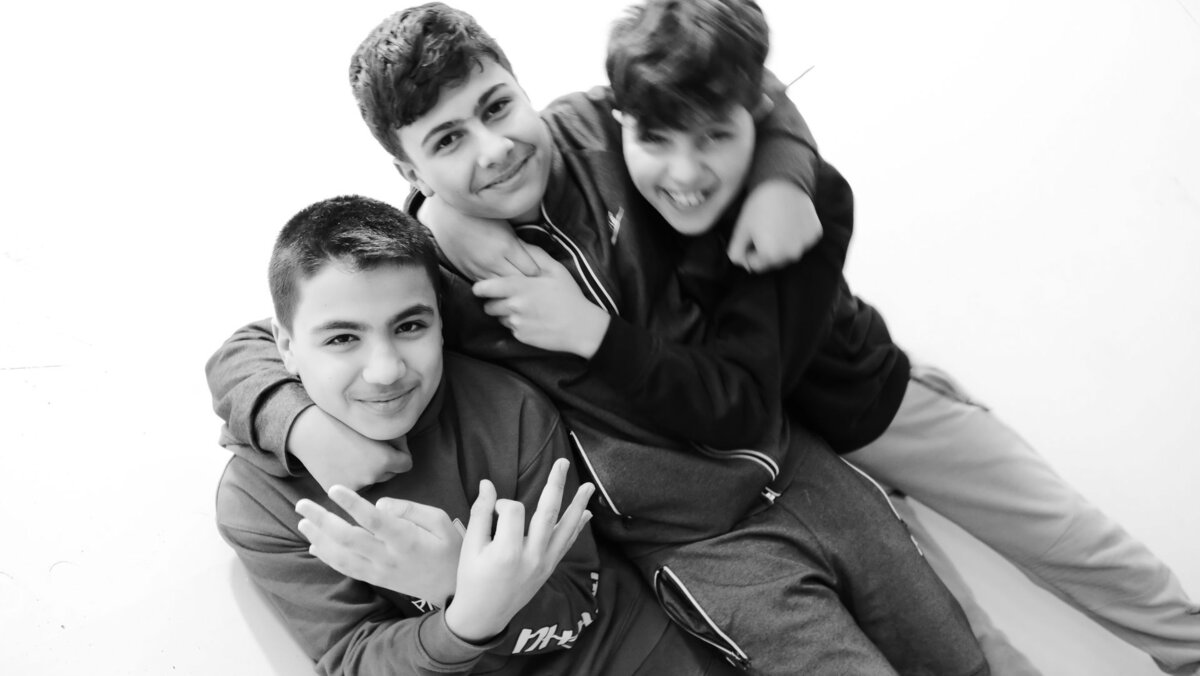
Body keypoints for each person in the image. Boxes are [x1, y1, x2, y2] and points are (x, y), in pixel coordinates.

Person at [206, 4, 988, 676]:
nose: (492, 148)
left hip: (802, 460)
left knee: (958, 658)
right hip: (698, 543)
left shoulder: (598, 130)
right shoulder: (431, 281)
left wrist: (784, 175)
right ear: (405, 169)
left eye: (497, 107)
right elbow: (261, 343)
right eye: (446, 141)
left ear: (522, 87)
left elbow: (748, 87)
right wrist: (297, 421)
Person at [443, 1, 1200, 674]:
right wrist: (439, 213)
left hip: (866, 404)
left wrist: (784, 174)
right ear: (625, 123)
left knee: (1071, 544)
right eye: (659, 138)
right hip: (787, 465)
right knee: (959, 638)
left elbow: (764, 95)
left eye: (715, 137)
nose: (684, 170)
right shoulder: (607, 137)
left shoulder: (797, 198)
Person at [215, 194, 745, 676]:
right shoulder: (257, 500)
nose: (385, 370)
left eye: (410, 327)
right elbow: (353, 658)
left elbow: (576, 603)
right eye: (342, 339)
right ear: (284, 346)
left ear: (441, 321)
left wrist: (455, 579)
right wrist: (465, 611)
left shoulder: (511, 410)